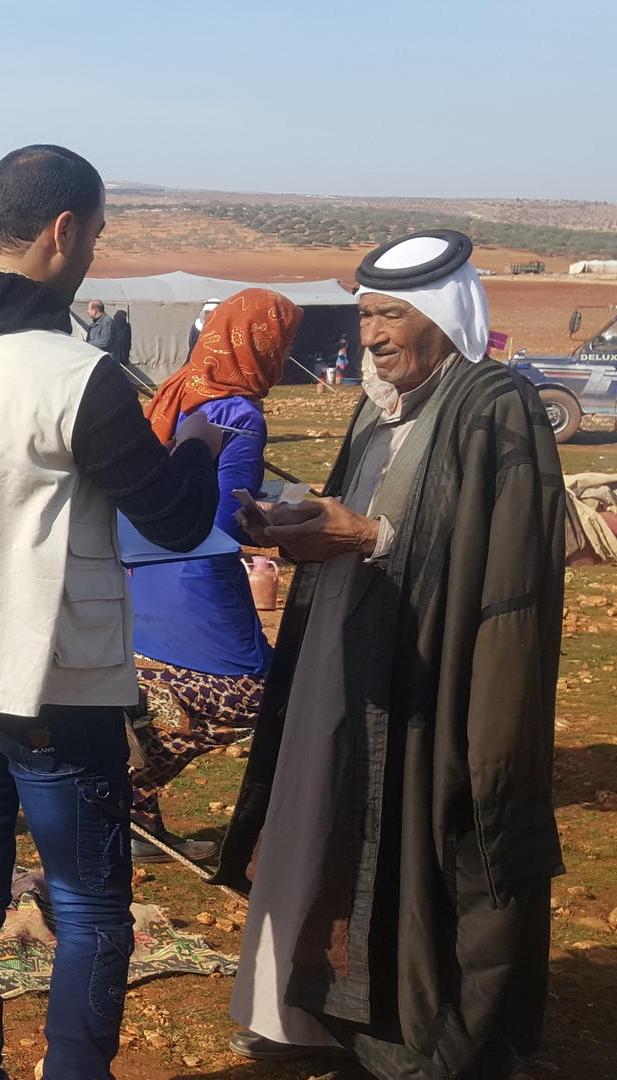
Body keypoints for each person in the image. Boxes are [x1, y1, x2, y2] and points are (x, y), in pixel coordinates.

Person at [0, 144, 222, 1080]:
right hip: (50, 681)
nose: (95, 254)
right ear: (64, 233)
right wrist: (193, 444)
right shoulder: (73, 377)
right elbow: (177, 521)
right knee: (91, 904)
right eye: (98, 235)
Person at [217, 229, 564, 1079]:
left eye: (391, 316)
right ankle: (314, 1007)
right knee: (325, 817)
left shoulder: (493, 405)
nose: (371, 336)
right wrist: (300, 528)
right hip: (345, 652)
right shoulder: (378, 409)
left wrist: (372, 538)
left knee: (442, 831)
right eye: (366, 314)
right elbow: (360, 518)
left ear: (443, 317)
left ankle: (429, 1032)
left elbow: (509, 560)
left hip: (441, 673)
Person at [125, 288, 301, 863]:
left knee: (162, 681)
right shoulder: (238, 412)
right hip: (193, 577)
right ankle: (124, 788)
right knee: (253, 692)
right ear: (263, 343)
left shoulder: (178, 393)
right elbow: (223, 514)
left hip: (140, 569)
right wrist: (282, 525)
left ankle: (134, 814)